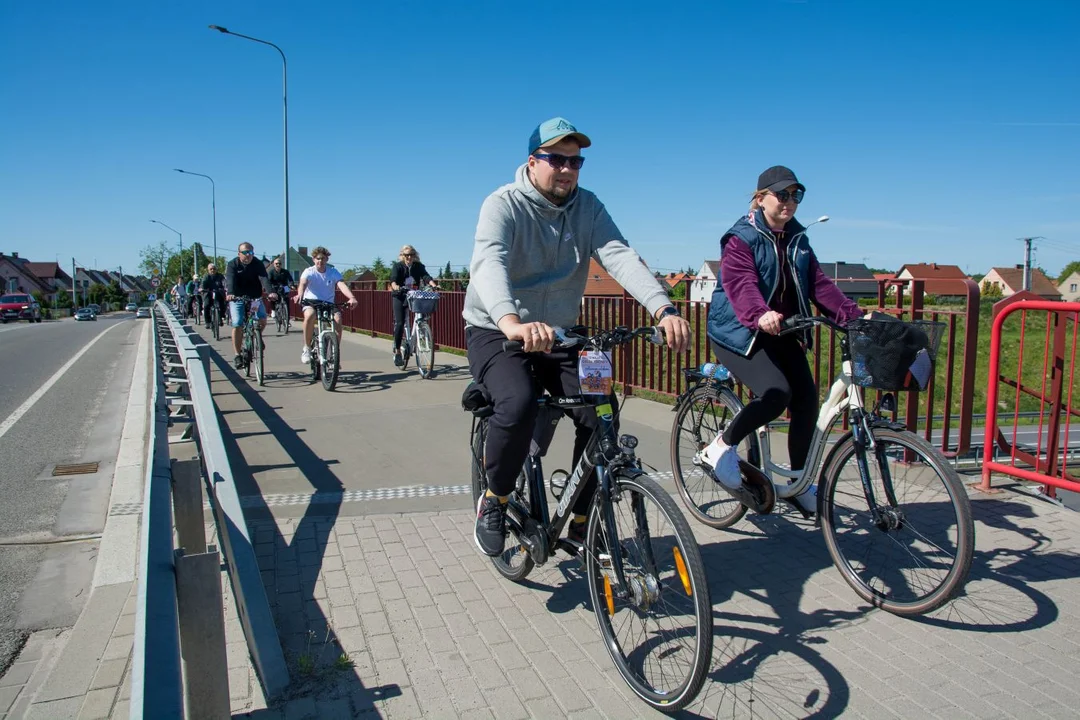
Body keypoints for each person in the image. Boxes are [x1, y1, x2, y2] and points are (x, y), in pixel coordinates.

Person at [464, 116, 691, 557]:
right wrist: (510, 320)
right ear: (533, 162)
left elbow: (619, 256)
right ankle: (495, 498)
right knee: (518, 402)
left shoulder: (589, 207)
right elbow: (488, 261)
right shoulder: (503, 204)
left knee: (601, 409)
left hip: (562, 334)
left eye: (576, 161)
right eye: (556, 159)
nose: (567, 169)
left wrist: (662, 307)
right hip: (497, 329)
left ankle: (583, 518)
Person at [703, 166, 864, 514]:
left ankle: (798, 482)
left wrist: (854, 315)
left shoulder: (798, 239)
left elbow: (819, 284)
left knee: (807, 399)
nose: (790, 202)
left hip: (781, 329)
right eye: (783, 195)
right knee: (777, 393)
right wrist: (759, 313)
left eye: (797, 195)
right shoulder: (740, 238)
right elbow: (740, 283)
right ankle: (720, 446)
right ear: (760, 199)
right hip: (739, 330)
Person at [296, 246, 358, 365]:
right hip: (311, 302)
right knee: (310, 315)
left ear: (327, 259)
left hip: (328, 303)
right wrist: (300, 294)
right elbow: (303, 283)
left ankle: (335, 353)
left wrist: (352, 297)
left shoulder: (332, 272)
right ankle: (307, 348)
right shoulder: (309, 271)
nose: (320, 261)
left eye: (323, 258)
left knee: (338, 319)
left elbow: (341, 284)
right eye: (317, 258)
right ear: (313, 259)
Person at [224, 242, 277, 369]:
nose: (248, 255)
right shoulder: (233, 264)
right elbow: (230, 279)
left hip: (254, 298)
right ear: (239, 254)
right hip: (237, 298)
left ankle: (255, 335)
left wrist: (270, 292)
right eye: (245, 252)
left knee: (262, 318)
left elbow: (264, 278)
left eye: (251, 253)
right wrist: (230, 293)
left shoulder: (257, 264)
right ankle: (237, 355)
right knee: (237, 323)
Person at [389, 245, 438, 367]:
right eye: (406, 255)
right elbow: (393, 279)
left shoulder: (418, 266)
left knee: (421, 315)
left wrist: (433, 285)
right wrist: (395, 286)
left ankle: (421, 332)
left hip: (414, 294)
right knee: (400, 322)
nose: (409, 257)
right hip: (400, 295)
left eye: (411, 254)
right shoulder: (398, 266)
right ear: (402, 256)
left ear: (414, 255)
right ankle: (398, 351)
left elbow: (426, 276)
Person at [200, 262, 226, 329]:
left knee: (223, 303)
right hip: (208, 293)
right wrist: (202, 288)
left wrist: (226, 288)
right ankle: (208, 322)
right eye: (211, 269)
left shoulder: (220, 276)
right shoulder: (206, 276)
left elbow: (224, 282)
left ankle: (221, 317)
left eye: (214, 269)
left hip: (218, 292)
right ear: (208, 270)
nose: (212, 270)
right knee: (206, 305)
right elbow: (203, 283)